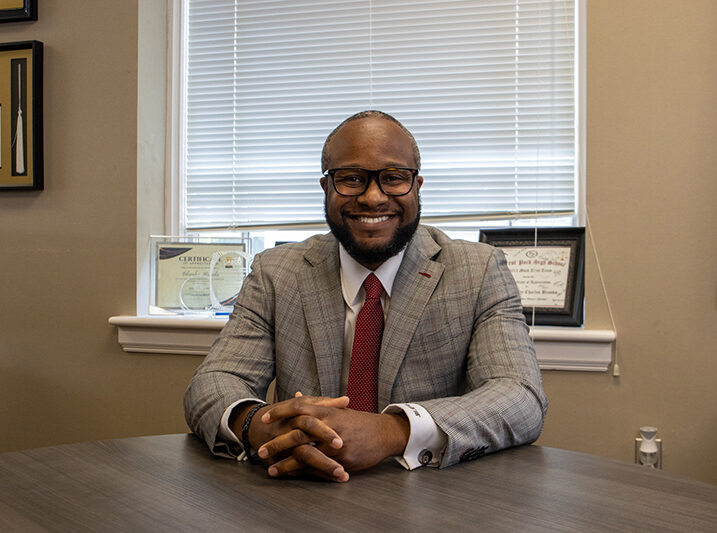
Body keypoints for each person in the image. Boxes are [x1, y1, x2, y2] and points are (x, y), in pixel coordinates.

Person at [184, 110, 547, 482]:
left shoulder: (477, 270)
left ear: (417, 186)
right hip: (300, 490)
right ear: (326, 187)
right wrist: (260, 425)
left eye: (393, 178)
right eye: (352, 178)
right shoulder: (276, 272)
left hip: (429, 493)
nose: (373, 198)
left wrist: (393, 431)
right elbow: (214, 382)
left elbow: (520, 397)